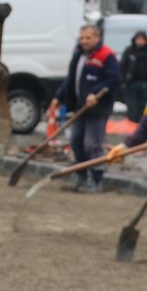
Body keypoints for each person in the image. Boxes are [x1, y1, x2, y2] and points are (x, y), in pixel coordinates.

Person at [50, 23, 122, 192]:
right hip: (79, 107)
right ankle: (81, 176)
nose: (84, 41)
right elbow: (71, 79)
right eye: (82, 37)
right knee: (76, 141)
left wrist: (95, 93)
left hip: (97, 109)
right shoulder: (78, 54)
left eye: (88, 38)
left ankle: (97, 180)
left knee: (92, 144)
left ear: (97, 37)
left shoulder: (106, 55)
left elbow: (114, 79)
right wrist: (59, 96)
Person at [119, 31, 147, 131]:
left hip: (146, 83)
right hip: (131, 83)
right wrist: (123, 81)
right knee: (132, 106)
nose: (140, 41)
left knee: (142, 106)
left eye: (142, 39)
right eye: (138, 39)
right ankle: (131, 127)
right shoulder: (129, 51)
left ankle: (139, 128)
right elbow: (123, 66)